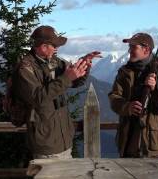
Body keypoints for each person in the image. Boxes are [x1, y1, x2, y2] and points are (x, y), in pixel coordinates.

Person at [14, 25, 101, 159]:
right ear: (43, 46)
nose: (57, 48)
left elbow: (76, 82)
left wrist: (84, 64)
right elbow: (37, 97)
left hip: (63, 138)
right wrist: (67, 77)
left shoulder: (55, 62)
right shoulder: (25, 68)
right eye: (54, 45)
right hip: (46, 142)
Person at [108, 33, 158, 158]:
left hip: (155, 146)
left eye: (133, 48)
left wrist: (156, 89)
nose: (129, 51)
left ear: (146, 50)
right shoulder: (124, 72)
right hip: (129, 143)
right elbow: (114, 98)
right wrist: (127, 107)